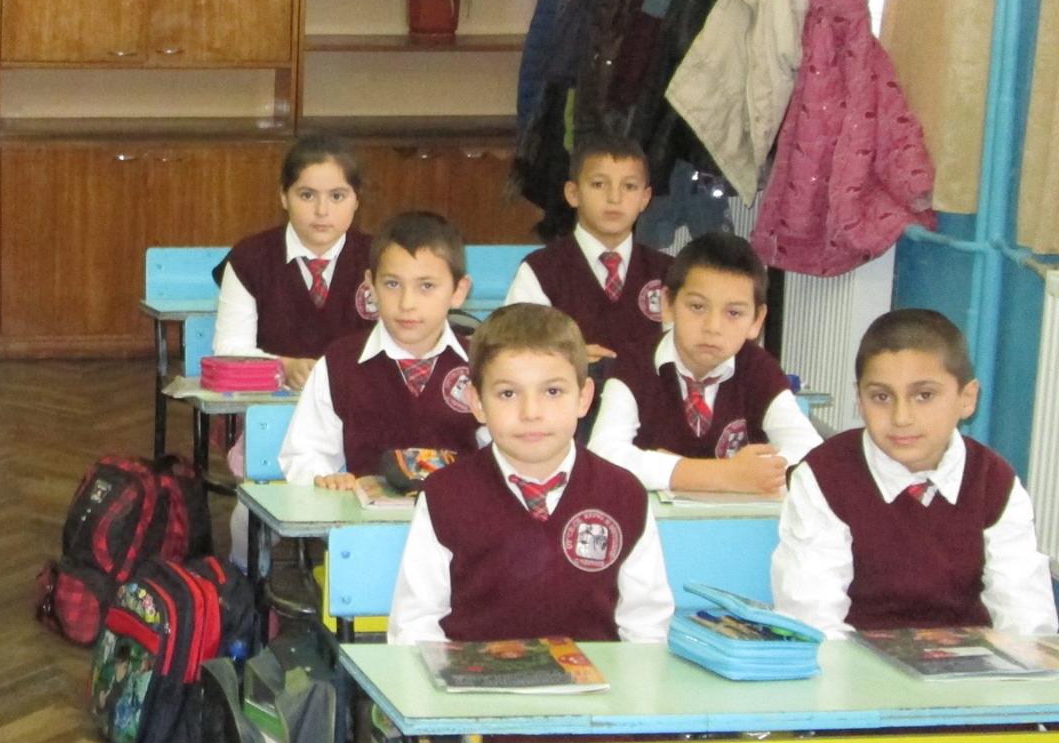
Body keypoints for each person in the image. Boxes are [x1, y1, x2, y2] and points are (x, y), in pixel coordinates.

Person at [771, 308, 1059, 743]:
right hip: (855, 705)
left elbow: (1026, 619)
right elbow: (813, 624)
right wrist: (886, 722)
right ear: (859, 396)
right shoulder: (825, 477)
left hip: (973, 700)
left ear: (966, 397)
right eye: (880, 396)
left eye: (924, 394)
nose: (900, 417)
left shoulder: (995, 481)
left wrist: (1000, 718)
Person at [390, 304, 676, 743]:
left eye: (551, 391)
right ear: (476, 402)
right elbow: (415, 623)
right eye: (507, 393)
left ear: (584, 397)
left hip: (597, 709)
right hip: (485, 714)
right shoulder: (447, 494)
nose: (530, 412)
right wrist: (436, 724)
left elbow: (646, 623)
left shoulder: (622, 494)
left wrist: (641, 719)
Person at [588, 231, 820, 493]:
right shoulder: (634, 365)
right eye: (697, 307)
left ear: (756, 320)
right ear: (667, 304)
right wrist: (726, 475)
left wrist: (666, 469)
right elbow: (603, 456)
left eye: (733, 313)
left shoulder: (759, 369)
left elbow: (811, 455)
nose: (713, 327)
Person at [279, 211, 481, 489]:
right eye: (392, 284)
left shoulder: (482, 364)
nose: (407, 303)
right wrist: (326, 479)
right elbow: (305, 453)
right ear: (371, 286)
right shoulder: (340, 363)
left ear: (458, 291)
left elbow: (505, 455)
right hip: (361, 514)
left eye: (426, 286)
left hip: (457, 513)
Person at [212, 136, 374, 391]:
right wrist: (284, 367)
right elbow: (230, 349)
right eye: (307, 195)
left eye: (337, 196)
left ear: (356, 200)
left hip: (359, 401)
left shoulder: (380, 258)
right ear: (284, 197)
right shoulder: (249, 258)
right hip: (268, 401)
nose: (322, 211)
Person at [502, 134, 669, 369]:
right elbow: (511, 349)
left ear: (645, 198)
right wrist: (565, 356)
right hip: (568, 391)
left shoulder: (669, 272)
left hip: (649, 392)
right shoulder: (541, 271)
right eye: (599, 184)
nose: (614, 198)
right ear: (573, 193)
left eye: (629, 186)